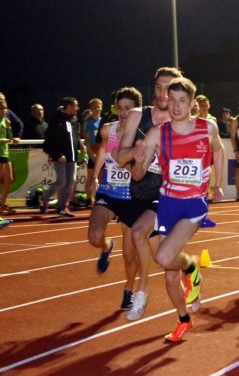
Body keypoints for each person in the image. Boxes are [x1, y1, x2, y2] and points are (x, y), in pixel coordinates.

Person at [129, 77, 225, 343]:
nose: (176, 105)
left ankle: (192, 266)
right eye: (172, 100)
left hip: (193, 204)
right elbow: (138, 174)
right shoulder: (158, 133)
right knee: (170, 278)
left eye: (182, 100)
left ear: (193, 103)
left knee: (163, 256)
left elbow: (219, 152)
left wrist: (218, 185)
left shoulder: (207, 128)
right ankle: (183, 320)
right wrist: (137, 162)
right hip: (168, 203)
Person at [113, 67, 183, 321]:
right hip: (139, 191)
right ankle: (191, 267)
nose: (163, 93)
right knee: (162, 258)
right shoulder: (136, 116)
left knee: (138, 233)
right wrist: (137, 153)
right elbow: (121, 158)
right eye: (158, 88)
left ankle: (141, 293)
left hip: (168, 193)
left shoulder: (181, 122)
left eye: (169, 88)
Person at [88, 87, 149, 313]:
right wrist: (94, 176)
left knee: (129, 253)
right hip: (109, 191)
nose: (123, 113)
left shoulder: (143, 134)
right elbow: (103, 151)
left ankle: (129, 289)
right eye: (119, 108)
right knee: (94, 236)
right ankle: (106, 246)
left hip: (131, 195)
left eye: (128, 108)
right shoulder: (108, 130)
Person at [41, 97, 80, 217]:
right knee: (62, 181)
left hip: (72, 157)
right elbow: (48, 141)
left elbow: (73, 137)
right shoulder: (55, 120)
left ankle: (62, 207)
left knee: (71, 182)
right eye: (75, 106)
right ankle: (45, 198)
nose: (77, 108)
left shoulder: (73, 119)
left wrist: (79, 147)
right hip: (60, 158)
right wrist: (57, 155)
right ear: (68, 107)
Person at [83, 98, 103, 207]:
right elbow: (86, 139)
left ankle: (99, 198)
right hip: (92, 152)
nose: (96, 109)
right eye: (94, 107)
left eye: (98, 106)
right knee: (90, 176)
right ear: (90, 109)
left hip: (102, 151)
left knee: (101, 177)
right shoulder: (88, 122)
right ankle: (87, 198)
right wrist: (91, 154)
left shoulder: (103, 121)